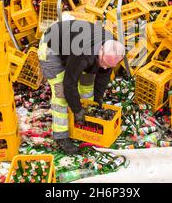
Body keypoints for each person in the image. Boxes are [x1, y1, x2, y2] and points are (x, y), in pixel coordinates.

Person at [38, 19, 125, 154]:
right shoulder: (83, 53)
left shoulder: (111, 48)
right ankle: (61, 136)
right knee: (61, 95)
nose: (105, 67)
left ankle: (85, 122)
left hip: (73, 46)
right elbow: (69, 82)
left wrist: (98, 99)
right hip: (51, 47)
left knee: (87, 87)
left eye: (110, 65)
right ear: (100, 49)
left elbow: (103, 75)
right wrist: (77, 108)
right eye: (104, 62)